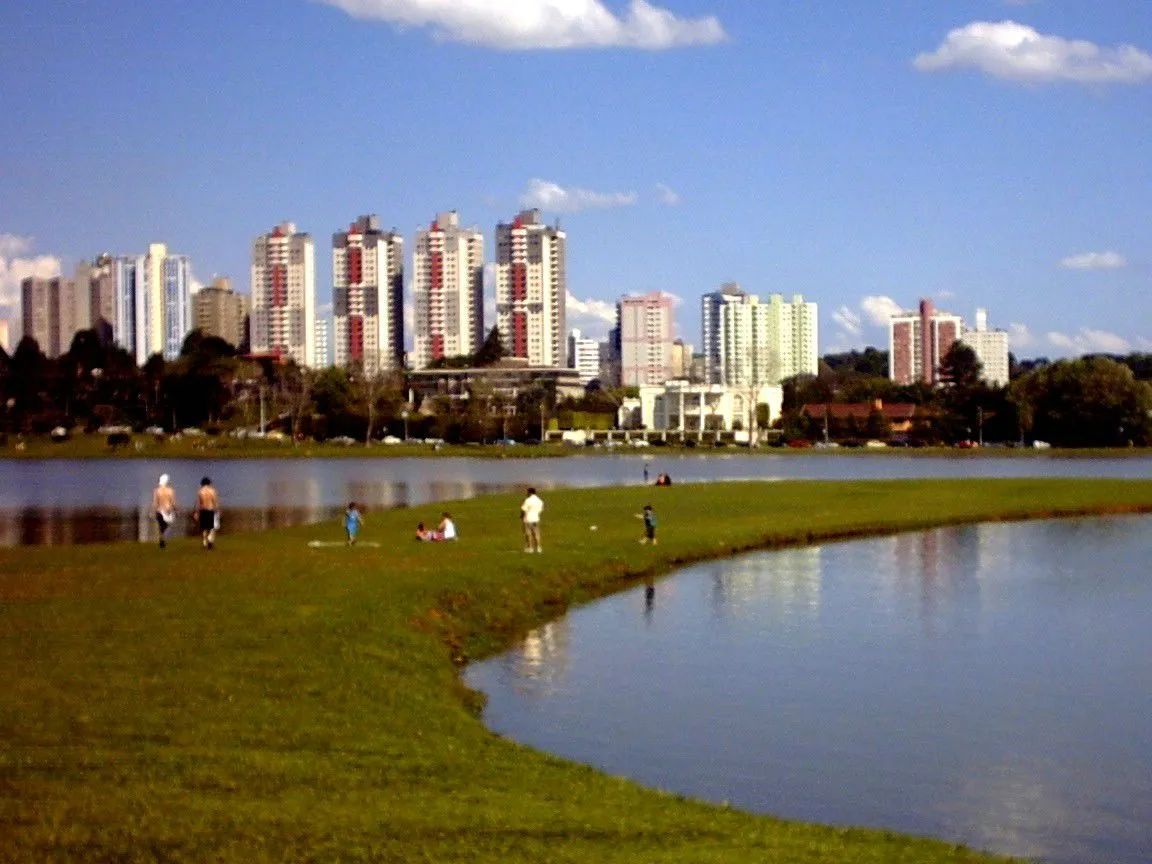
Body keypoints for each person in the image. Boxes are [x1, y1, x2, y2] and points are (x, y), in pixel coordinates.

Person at [151, 473, 177, 549]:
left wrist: (152, 510)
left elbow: (155, 502)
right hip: (168, 510)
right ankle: (163, 539)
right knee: (167, 526)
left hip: (159, 510)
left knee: (161, 526)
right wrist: (176, 509)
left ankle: (162, 539)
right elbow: (173, 502)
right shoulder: (170, 491)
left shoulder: (157, 491)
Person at [196, 476, 219, 550]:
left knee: (204, 528)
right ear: (209, 483)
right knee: (212, 527)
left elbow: (198, 503)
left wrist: (197, 513)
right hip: (210, 510)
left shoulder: (200, 491)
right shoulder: (212, 491)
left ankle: (204, 542)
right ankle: (210, 540)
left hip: (203, 510)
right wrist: (217, 510)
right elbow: (215, 502)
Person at [521, 487, 544, 553]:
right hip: (536, 518)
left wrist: (522, 516)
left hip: (528, 518)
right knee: (536, 533)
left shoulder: (528, 500)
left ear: (530, 492)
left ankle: (530, 548)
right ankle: (538, 548)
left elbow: (523, 509)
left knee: (528, 533)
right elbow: (541, 509)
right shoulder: (539, 501)